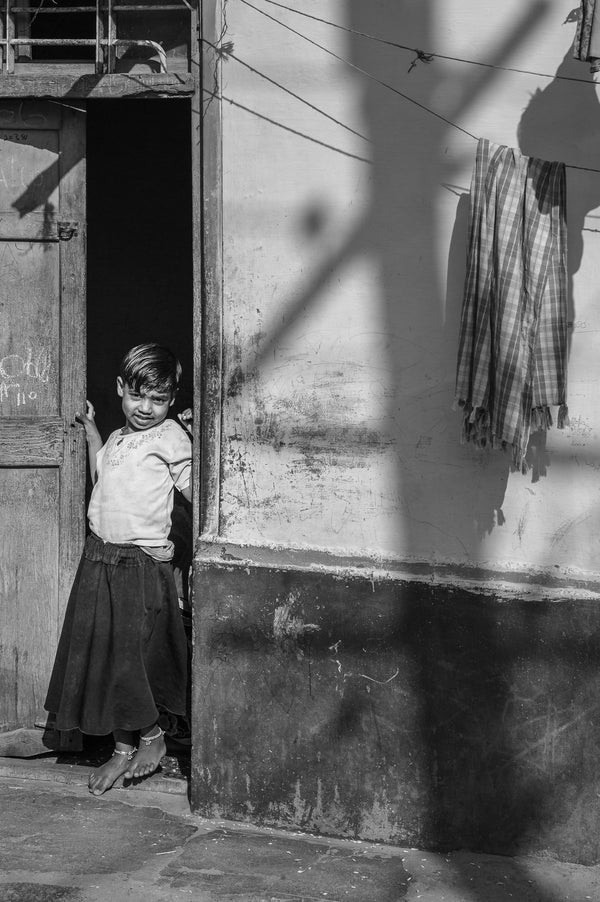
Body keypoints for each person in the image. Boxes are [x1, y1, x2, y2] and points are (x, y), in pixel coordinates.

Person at [44, 342, 192, 796]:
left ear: (172, 400)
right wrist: (92, 433)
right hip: (100, 559)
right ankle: (123, 747)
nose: (147, 408)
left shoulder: (171, 437)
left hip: (139, 563)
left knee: (131, 659)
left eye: (159, 399)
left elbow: (199, 489)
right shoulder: (117, 439)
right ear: (120, 389)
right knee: (106, 657)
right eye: (138, 396)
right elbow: (103, 479)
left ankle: (152, 737)